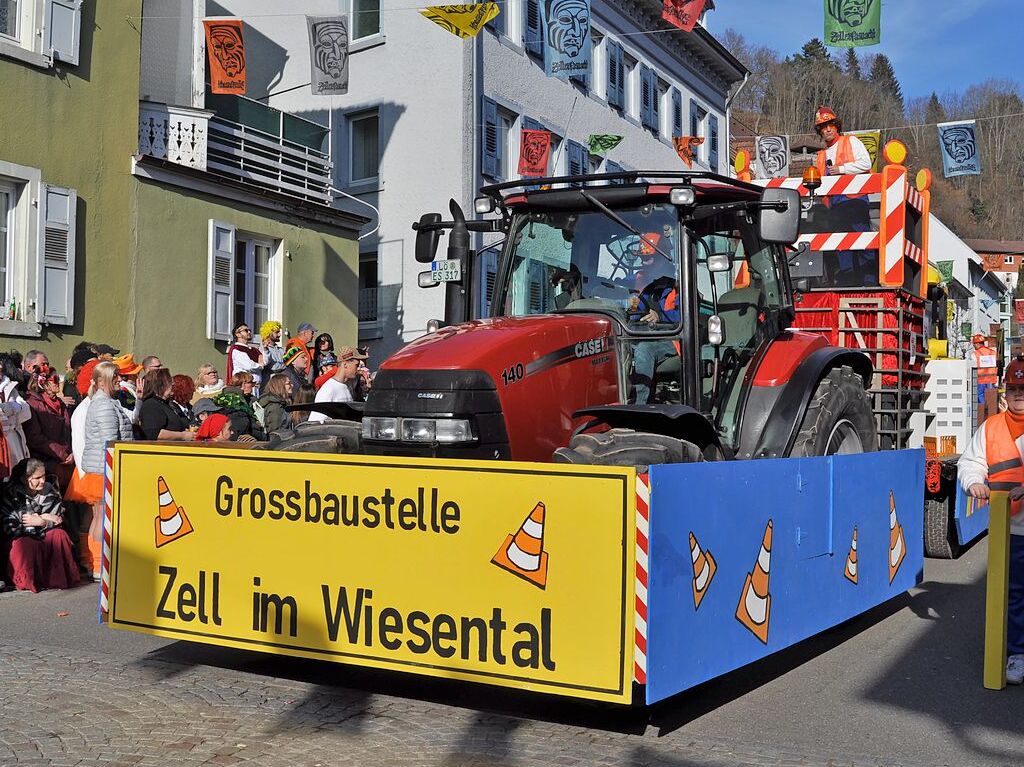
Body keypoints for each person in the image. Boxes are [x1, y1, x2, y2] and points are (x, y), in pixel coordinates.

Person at [958, 356, 1024, 685]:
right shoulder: (992, 427)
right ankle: (1016, 653)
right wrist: (973, 481)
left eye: (1022, 389)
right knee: (1012, 593)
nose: (1018, 394)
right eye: (1012, 389)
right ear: (1004, 392)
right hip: (1007, 528)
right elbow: (971, 462)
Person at [79, 362, 134, 576]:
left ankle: (96, 563)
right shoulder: (103, 405)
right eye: (116, 377)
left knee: (98, 516)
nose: (119, 380)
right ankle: (98, 564)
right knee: (101, 517)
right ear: (103, 381)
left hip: (101, 467)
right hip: (104, 468)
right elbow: (110, 441)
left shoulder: (107, 401)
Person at [1, 458, 80, 592]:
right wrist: (36, 521)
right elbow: (8, 523)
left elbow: (58, 520)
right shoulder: (11, 494)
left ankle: (58, 579)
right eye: (37, 478)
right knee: (24, 543)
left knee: (59, 535)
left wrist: (42, 521)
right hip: (21, 535)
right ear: (25, 479)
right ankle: (27, 580)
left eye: (43, 476)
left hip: (44, 532)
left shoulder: (50, 492)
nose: (42, 481)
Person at [23, 365, 73, 485]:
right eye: (55, 379)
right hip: (44, 465)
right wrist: (62, 453)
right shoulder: (32, 404)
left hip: (66, 463)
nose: (59, 382)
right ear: (43, 383)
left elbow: (68, 431)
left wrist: (71, 452)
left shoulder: (60, 403)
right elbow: (35, 438)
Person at [309, 346, 366, 423]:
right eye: (356, 365)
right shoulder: (328, 390)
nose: (358, 368)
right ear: (345, 364)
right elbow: (316, 422)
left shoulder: (346, 387)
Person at [138, 368, 195, 441]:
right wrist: (183, 435)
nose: (173, 384)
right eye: (170, 381)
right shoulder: (151, 405)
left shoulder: (167, 404)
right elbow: (154, 433)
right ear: (160, 384)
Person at [813, 106, 871, 177]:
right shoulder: (821, 155)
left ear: (837, 126)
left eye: (831, 125)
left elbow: (866, 164)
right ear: (820, 131)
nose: (828, 129)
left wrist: (841, 169)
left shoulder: (851, 141)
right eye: (824, 127)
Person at [0, 352, 32, 474]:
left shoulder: (10, 387)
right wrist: (12, 409)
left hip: (14, 444)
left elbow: (26, 412)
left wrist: (8, 410)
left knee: (14, 481)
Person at [226, 322, 265, 386]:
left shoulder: (254, 350)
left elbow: (265, 361)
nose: (249, 332)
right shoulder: (237, 349)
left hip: (256, 386)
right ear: (238, 334)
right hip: (243, 385)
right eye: (246, 330)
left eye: (250, 330)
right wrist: (260, 366)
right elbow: (249, 366)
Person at [972, 334, 998, 406]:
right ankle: (991, 413)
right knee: (991, 400)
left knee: (980, 399)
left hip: (980, 381)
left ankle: (982, 413)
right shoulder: (993, 352)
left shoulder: (975, 354)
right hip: (992, 380)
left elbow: (972, 367)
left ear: (977, 344)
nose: (974, 346)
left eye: (974, 344)